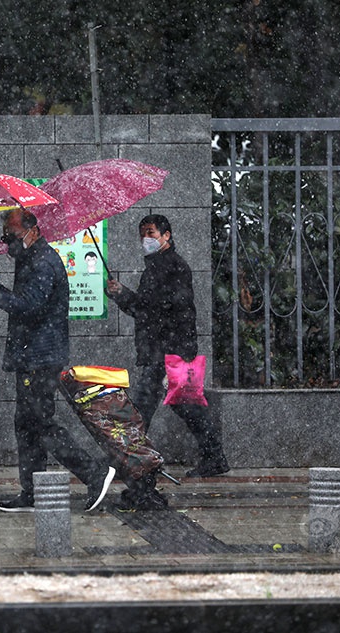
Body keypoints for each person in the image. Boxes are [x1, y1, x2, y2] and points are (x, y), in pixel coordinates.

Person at [0, 209, 115, 513]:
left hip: (41, 359)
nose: (9, 242)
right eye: (6, 236)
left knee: (39, 424)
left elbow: (30, 307)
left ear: (32, 230)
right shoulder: (31, 259)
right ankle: (32, 492)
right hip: (31, 357)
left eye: (13, 235)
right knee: (26, 425)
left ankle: (94, 473)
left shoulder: (43, 262)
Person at [106, 214, 229, 505]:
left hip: (166, 353)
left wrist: (179, 354)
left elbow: (168, 310)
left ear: (166, 235)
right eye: (142, 234)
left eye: (150, 233)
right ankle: (214, 456)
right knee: (186, 407)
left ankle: (139, 478)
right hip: (160, 351)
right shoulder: (155, 267)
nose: (145, 239)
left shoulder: (175, 267)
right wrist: (122, 295)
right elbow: (147, 310)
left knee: (140, 414)